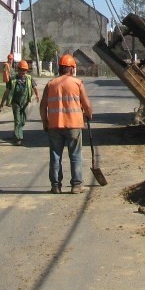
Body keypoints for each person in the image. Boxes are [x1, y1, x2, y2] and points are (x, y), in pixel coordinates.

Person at [40, 54, 93, 194]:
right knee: (75, 155)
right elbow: (87, 105)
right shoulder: (77, 83)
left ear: (60, 68)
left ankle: (56, 186)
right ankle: (76, 185)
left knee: (55, 156)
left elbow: (42, 106)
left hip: (54, 125)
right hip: (74, 126)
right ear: (72, 69)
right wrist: (89, 115)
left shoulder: (50, 84)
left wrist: (45, 122)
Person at [0, 59, 39, 145]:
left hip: (25, 102)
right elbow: (6, 91)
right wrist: (2, 103)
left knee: (23, 120)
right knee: (17, 120)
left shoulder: (29, 78)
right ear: (18, 69)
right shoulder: (12, 79)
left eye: (25, 70)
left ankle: (15, 133)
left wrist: (37, 95)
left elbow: (34, 87)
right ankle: (18, 138)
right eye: (21, 69)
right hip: (15, 102)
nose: (23, 72)